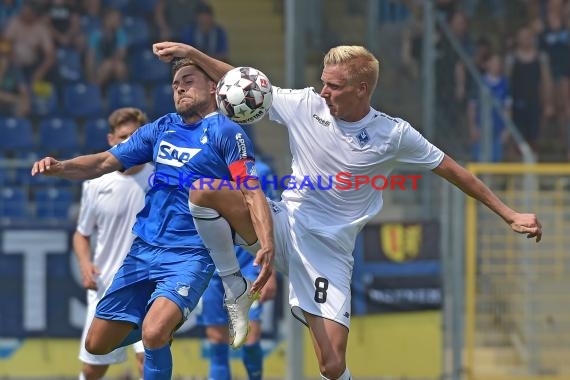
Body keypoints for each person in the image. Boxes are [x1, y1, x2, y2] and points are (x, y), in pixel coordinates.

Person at [152, 41, 543, 380]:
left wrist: (509, 214)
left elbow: (456, 172)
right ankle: (232, 285)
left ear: (361, 89)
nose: (323, 91)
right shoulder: (306, 104)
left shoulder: (394, 134)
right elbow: (243, 83)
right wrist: (192, 55)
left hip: (330, 253)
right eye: (323, 81)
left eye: (333, 86)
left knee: (332, 365)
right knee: (204, 191)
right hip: (285, 222)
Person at [31, 57, 275, 380]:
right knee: (97, 344)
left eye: (188, 80)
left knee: (154, 333)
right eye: (175, 84)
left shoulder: (226, 132)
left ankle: (160, 326)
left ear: (214, 87)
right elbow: (104, 161)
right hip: (143, 250)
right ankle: (158, 324)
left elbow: (251, 192)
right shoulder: (162, 128)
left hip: (190, 254)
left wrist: (266, 245)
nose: (180, 87)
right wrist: (62, 167)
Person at [73, 107, 152, 380]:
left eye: (135, 136)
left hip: (148, 286)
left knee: (148, 359)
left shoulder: (162, 178)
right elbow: (82, 233)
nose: (128, 142)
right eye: (122, 137)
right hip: (106, 286)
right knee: (94, 368)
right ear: (111, 140)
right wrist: (85, 265)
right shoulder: (96, 184)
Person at [198, 158, 278, 380]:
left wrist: (271, 271)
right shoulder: (202, 168)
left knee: (251, 340)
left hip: (250, 265)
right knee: (217, 342)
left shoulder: (261, 171)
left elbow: (272, 219)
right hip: (213, 268)